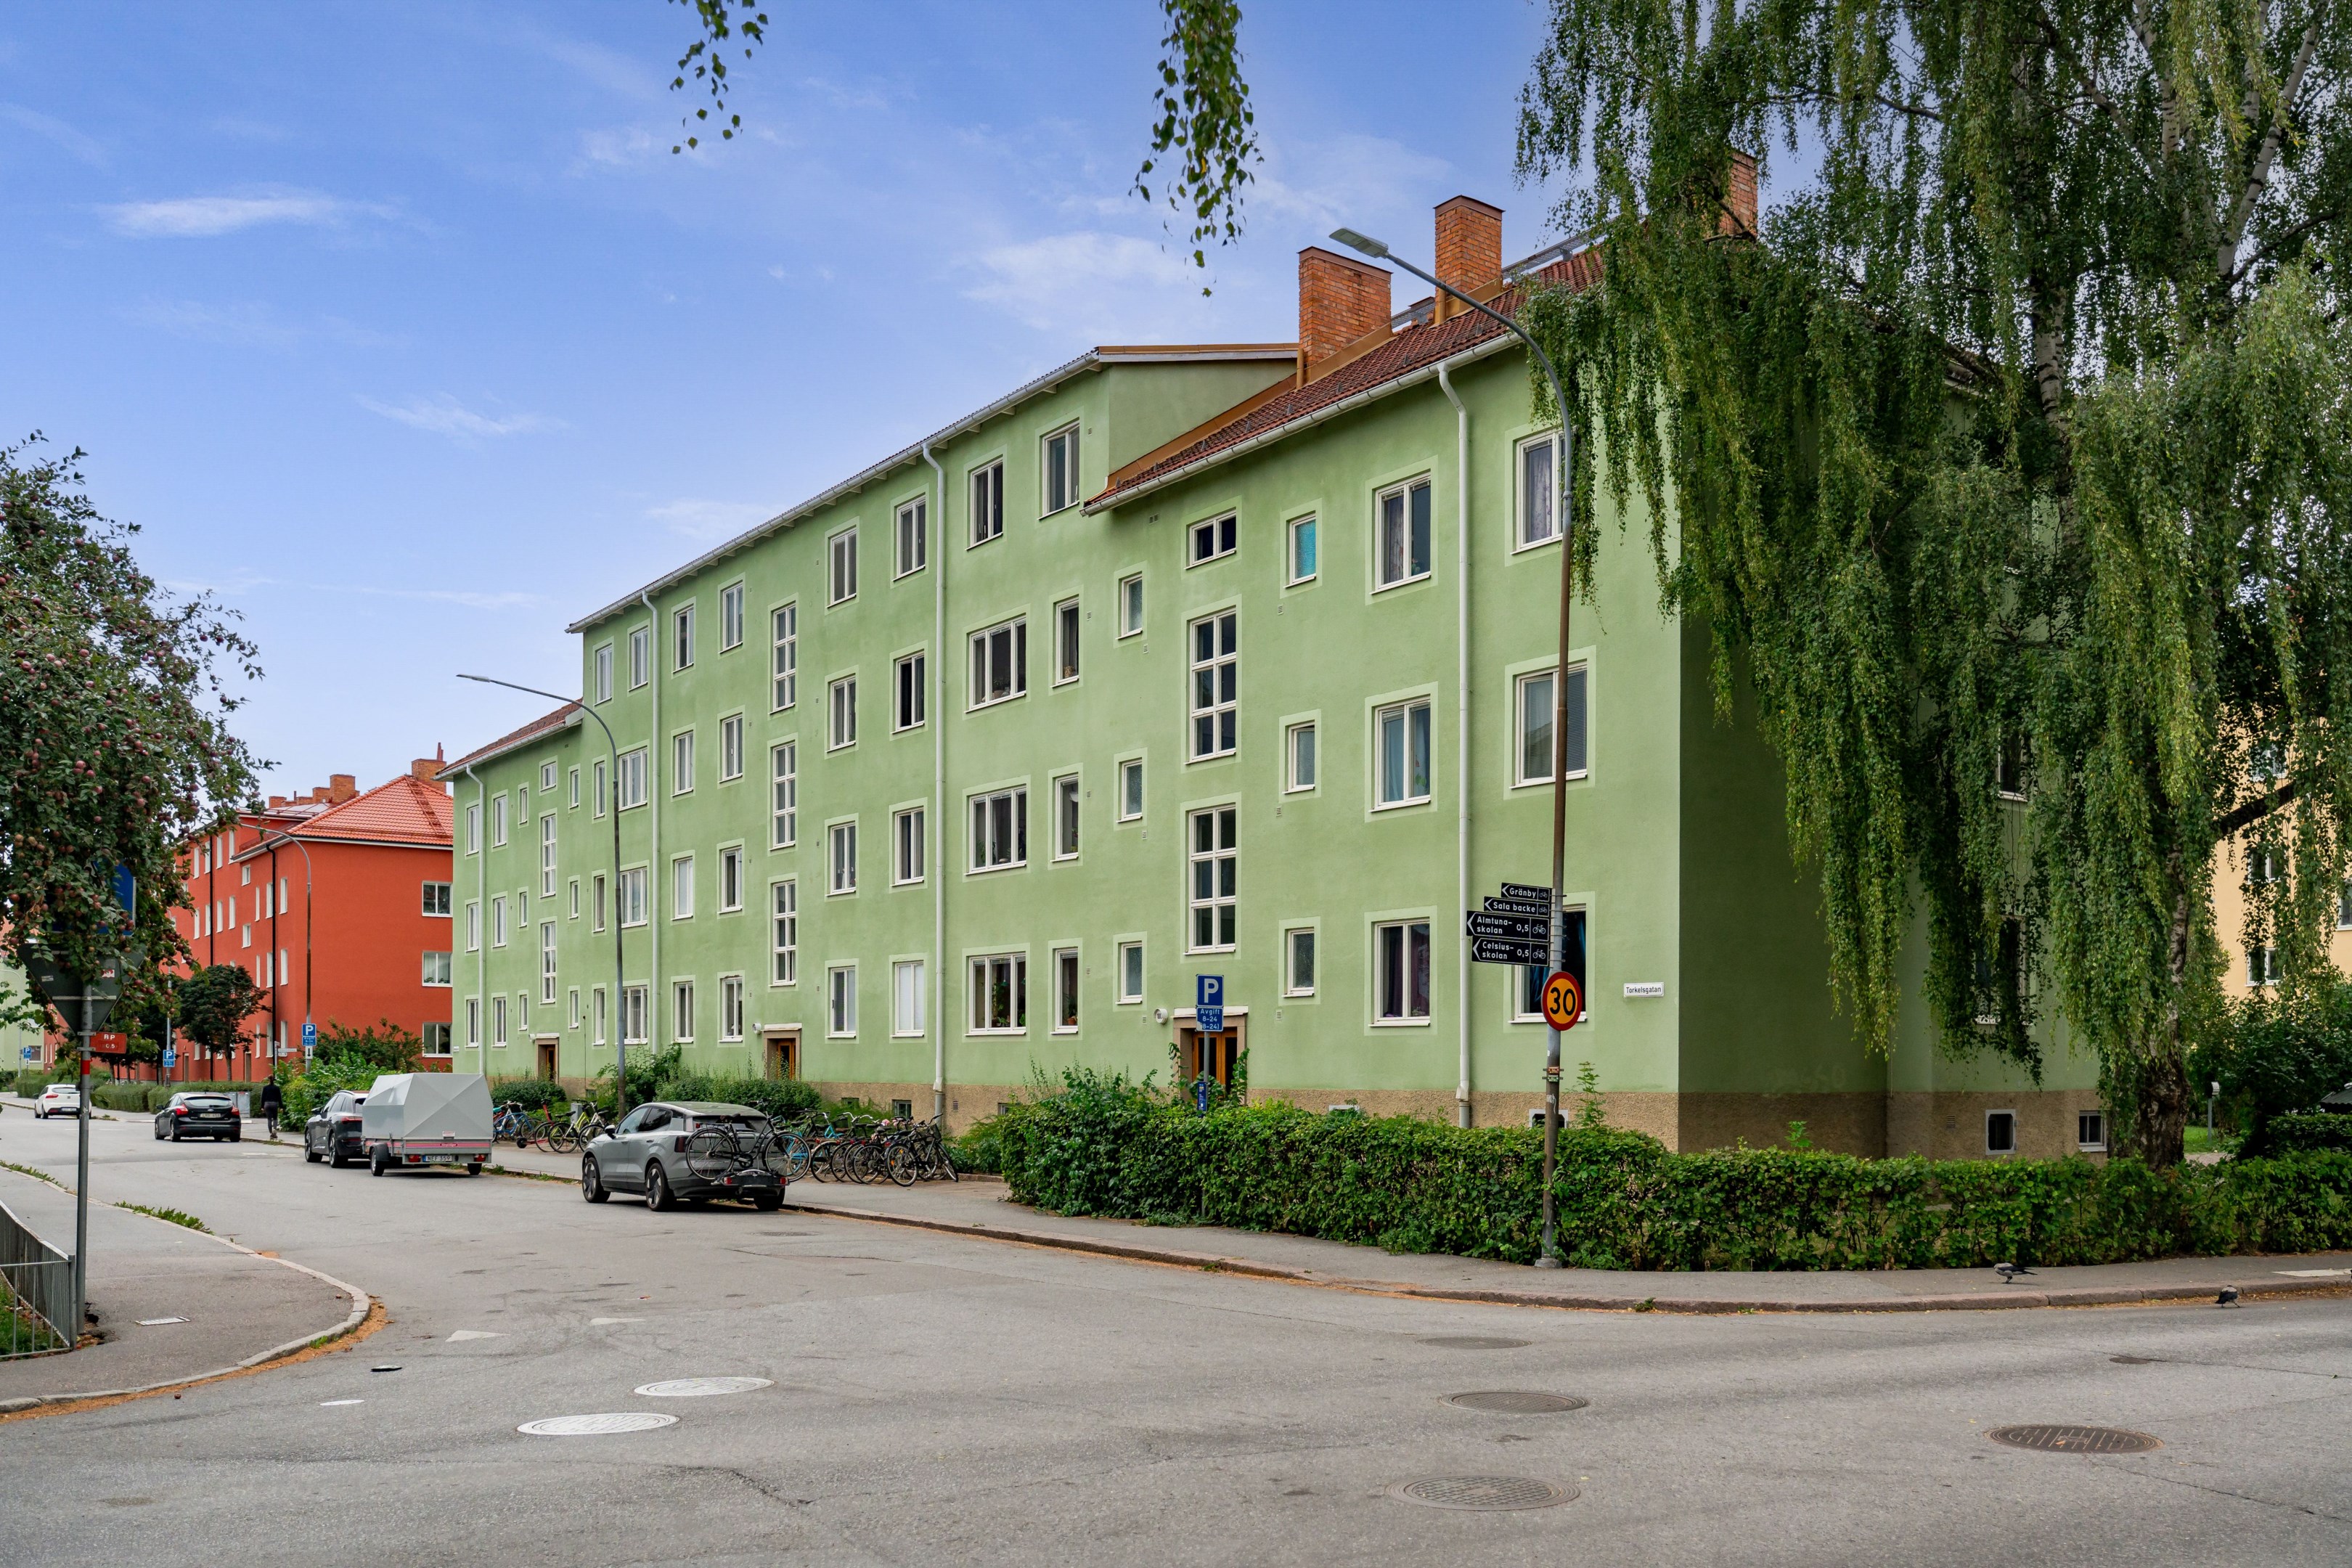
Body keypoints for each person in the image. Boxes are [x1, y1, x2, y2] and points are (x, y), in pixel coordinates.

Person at [258, 1075, 282, 1139]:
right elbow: (280, 1098)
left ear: (268, 1080)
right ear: (274, 1080)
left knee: (269, 1119)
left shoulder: (265, 1088)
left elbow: (262, 1098)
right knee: (275, 1118)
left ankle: (271, 1133)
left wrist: (262, 1107)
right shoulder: (277, 1088)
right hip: (274, 1104)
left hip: (267, 1104)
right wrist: (281, 1107)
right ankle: (274, 1131)